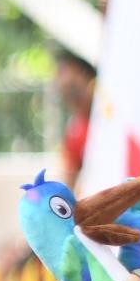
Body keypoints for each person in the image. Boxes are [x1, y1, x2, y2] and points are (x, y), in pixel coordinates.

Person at [54, 51, 97, 184]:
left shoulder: (112, 108)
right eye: (64, 93)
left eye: (72, 87)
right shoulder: (74, 133)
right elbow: (69, 180)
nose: (71, 97)